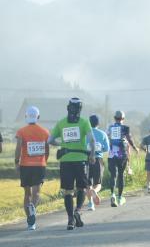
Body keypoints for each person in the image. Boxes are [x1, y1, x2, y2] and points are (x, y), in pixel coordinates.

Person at [48, 98, 96, 230]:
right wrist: (92, 154)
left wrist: (62, 144)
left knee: (68, 191)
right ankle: (78, 210)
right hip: (81, 160)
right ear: (80, 109)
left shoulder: (61, 123)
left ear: (68, 107)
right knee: (81, 188)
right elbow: (92, 140)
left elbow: (49, 140)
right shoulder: (84, 122)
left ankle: (70, 219)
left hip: (66, 160)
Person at [15, 106, 49, 230]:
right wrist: (44, 161)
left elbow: (18, 147)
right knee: (37, 193)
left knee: (27, 194)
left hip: (25, 165)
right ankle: (33, 210)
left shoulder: (21, 131)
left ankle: (30, 221)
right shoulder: (45, 131)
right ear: (38, 117)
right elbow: (47, 149)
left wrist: (16, 162)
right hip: (39, 165)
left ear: (26, 117)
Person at [107, 110, 139, 207]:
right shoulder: (125, 128)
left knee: (113, 175)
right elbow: (129, 139)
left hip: (112, 154)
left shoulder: (110, 127)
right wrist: (134, 147)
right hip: (122, 154)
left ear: (114, 118)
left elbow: (107, 138)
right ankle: (120, 198)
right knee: (121, 175)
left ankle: (112, 194)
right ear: (123, 119)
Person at [86, 115, 109, 211]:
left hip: (86, 159)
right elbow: (107, 148)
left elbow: (83, 147)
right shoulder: (103, 134)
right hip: (98, 160)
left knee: (88, 184)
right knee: (98, 183)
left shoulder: (86, 134)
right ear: (98, 124)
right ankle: (95, 191)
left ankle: (91, 203)